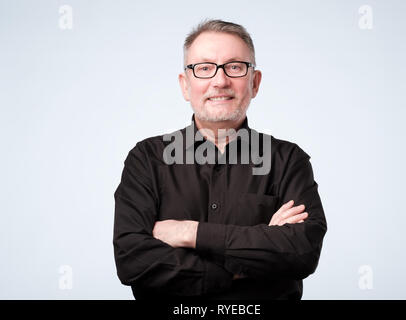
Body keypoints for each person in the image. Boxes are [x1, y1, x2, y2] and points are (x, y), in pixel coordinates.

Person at [113, 19, 327, 300]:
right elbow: (133, 261)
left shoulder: (288, 161)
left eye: (235, 67)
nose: (220, 80)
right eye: (203, 68)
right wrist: (248, 261)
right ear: (185, 86)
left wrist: (190, 233)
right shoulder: (146, 159)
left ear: (255, 82)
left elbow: (301, 251)